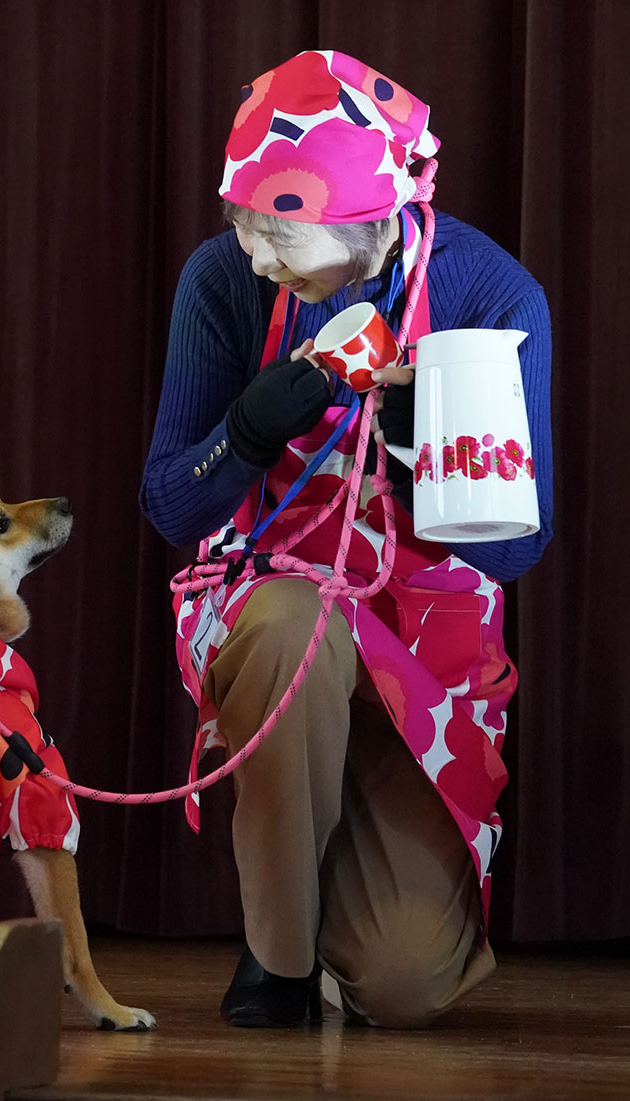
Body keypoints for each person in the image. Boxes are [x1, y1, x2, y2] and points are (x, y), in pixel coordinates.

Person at [140, 50, 552, 1029]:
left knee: (405, 984)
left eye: (276, 234)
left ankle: (344, 859)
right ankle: (276, 957)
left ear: (369, 220)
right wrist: (244, 431)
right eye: (241, 224)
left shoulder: (490, 299)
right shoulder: (225, 286)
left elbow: (514, 557)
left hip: (424, 636)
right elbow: (169, 507)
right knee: (291, 623)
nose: (250, 254)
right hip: (273, 596)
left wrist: (424, 452)